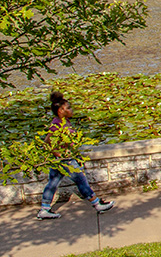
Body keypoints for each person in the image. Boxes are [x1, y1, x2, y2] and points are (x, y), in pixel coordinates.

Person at [35, 92, 114, 220]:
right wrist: (59, 154)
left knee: (53, 183)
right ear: (61, 110)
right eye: (69, 108)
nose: (72, 110)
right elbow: (47, 142)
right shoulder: (57, 124)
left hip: (62, 159)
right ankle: (97, 203)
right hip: (65, 159)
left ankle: (44, 209)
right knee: (81, 180)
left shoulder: (63, 121)